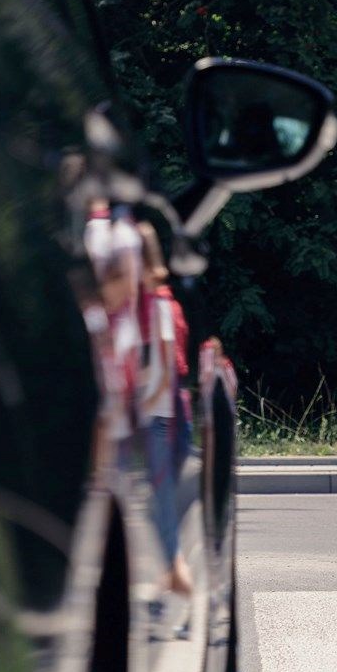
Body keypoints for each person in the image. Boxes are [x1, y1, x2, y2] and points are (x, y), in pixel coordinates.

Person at [135, 224, 195, 610]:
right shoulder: (159, 302)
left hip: (160, 421)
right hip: (165, 419)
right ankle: (171, 586)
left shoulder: (156, 305)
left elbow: (168, 366)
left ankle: (187, 592)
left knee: (161, 513)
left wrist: (142, 404)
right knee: (160, 511)